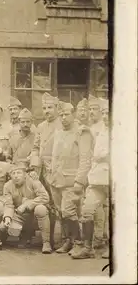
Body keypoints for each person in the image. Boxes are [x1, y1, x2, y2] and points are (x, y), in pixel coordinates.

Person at [49, 102, 93, 255]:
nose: (63, 118)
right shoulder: (58, 132)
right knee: (61, 212)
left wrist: (79, 180)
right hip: (56, 180)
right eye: (61, 115)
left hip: (71, 180)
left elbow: (85, 159)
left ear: (73, 114)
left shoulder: (81, 132)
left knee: (69, 212)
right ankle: (69, 241)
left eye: (66, 114)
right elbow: (55, 156)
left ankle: (80, 242)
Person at [72, 98, 110, 260]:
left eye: (109, 113)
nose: (106, 116)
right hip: (97, 179)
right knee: (87, 211)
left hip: (115, 179)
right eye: (104, 113)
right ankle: (88, 248)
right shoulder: (99, 129)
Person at [0, 162, 52, 253]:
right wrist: (7, 217)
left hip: (35, 214)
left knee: (41, 209)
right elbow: (9, 205)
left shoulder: (33, 181)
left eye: (19, 173)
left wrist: (27, 204)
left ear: (25, 174)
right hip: (21, 215)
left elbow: (45, 197)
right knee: (3, 226)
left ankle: (46, 242)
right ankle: (21, 237)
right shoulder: (7, 186)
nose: (16, 176)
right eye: (13, 173)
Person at [29, 93, 63, 199]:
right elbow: (36, 147)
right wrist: (34, 166)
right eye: (44, 108)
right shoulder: (41, 126)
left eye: (50, 107)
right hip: (41, 170)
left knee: (58, 199)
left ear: (57, 108)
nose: (46, 111)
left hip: (57, 169)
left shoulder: (63, 124)